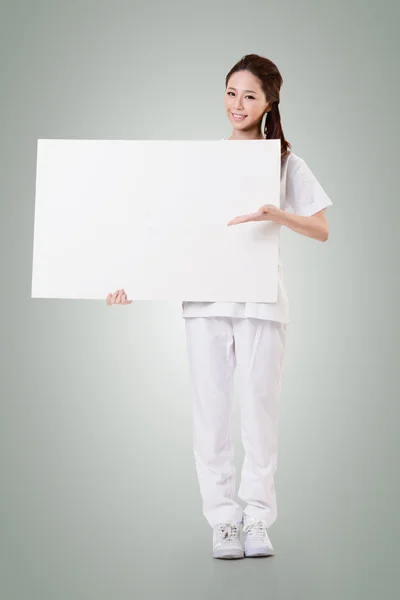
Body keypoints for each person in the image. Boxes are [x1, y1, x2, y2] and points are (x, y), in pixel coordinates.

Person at [106, 54, 332, 560]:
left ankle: (256, 519)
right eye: (231, 93)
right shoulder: (200, 163)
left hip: (262, 302)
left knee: (260, 416)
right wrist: (129, 284)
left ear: (270, 102)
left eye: (250, 96)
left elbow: (321, 228)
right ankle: (223, 522)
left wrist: (279, 214)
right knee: (210, 416)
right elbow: (168, 235)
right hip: (205, 302)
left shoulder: (284, 161)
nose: (238, 104)